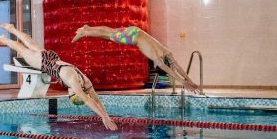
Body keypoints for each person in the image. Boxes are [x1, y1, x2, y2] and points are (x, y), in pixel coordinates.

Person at [0, 23, 118, 131]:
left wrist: (106, 116)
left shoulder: (85, 81)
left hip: (53, 57)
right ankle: (4, 39)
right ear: (74, 92)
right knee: (20, 48)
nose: (69, 91)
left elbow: (96, 99)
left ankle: (13, 29)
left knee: (30, 43)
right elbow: (87, 100)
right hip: (44, 63)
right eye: (70, 94)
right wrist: (103, 117)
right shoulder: (73, 81)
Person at [72, 25, 202, 94]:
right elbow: (170, 69)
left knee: (110, 33)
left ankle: (87, 28)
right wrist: (184, 82)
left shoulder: (165, 51)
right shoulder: (156, 57)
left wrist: (189, 81)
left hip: (136, 31)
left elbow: (177, 67)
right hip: (132, 37)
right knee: (109, 34)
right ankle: (85, 31)